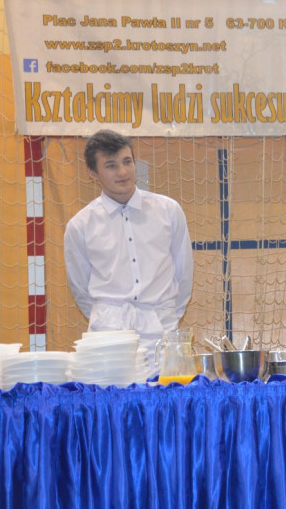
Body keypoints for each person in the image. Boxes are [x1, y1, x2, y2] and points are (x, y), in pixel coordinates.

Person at [64, 130, 193, 374]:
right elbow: (81, 288)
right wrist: (108, 318)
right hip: (107, 341)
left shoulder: (168, 211)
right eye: (111, 165)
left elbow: (183, 275)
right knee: (110, 399)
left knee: (165, 397)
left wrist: (165, 316)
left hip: (161, 335)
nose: (123, 172)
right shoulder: (80, 226)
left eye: (127, 162)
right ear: (93, 173)